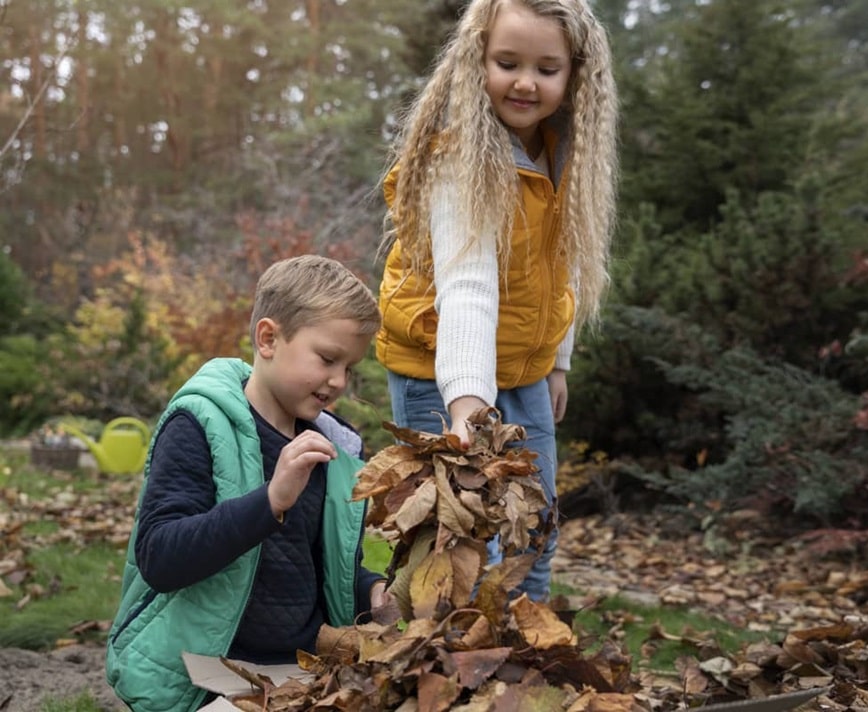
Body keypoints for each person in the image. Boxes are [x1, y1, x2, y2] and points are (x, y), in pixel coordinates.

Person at [376, 0, 618, 601]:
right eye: (507, 62)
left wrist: (558, 360)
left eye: (546, 68)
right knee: (458, 538)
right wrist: (467, 410)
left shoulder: (568, 154)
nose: (525, 82)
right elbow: (469, 289)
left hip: (523, 373)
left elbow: (565, 265)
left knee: (534, 527)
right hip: (444, 368)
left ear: (574, 74)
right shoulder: (460, 160)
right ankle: (442, 668)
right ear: (477, 60)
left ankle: (522, 661)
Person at [106, 255, 389, 712]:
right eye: (328, 359)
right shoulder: (199, 423)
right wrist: (270, 502)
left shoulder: (331, 449)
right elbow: (159, 558)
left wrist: (371, 591)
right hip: (203, 674)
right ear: (269, 338)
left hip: (300, 671)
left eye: (349, 368)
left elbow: (317, 567)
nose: (339, 381)